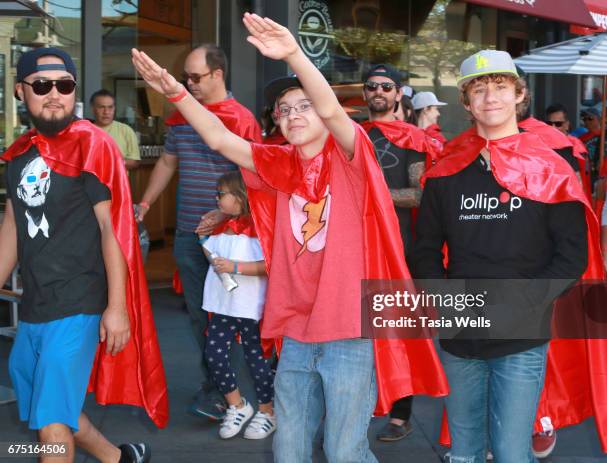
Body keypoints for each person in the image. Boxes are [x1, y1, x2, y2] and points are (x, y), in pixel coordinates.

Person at [132, 13, 448, 462]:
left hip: (349, 331)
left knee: (344, 451)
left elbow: (334, 113)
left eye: (303, 106)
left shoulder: (350, 156)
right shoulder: (279, 166)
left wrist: (295, 55)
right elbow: (221, 139)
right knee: (289, 449)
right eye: (284, 110)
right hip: (296, 330)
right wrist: (177, 93)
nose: (293, 114)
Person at [414, 50, 594, 462]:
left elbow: (571, 256)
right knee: (463, 452)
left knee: (513, 453)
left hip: (521, 334)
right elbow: (424, 249)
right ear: (466, 102)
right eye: (478, 89)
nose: (489, 97)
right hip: (461, 333)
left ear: (518, 95)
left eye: (499, 86)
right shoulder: (447, 170)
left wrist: (525, 302)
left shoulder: (551, 166)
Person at [1, 47, 167, 463]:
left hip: (79, 303)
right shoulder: (17, 154)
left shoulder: (93, 145)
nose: (54, 93)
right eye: (42, 85)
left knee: (52, 428)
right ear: (21, 91)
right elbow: (11, 229)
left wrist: (116, 307)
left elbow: (114, 232)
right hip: (38, 304)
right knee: (54, 410)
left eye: (64, 85)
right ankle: (119, 458)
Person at [135, 43, 261, 420]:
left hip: (231, 238)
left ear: (218, 74)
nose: (188, 83)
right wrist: (144, 203)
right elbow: (168, 163)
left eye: (195, 77)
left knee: (232, 316)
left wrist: (224, 216)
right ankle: (219, 387)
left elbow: (253, 179)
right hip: (191, 237)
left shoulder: (241, 119)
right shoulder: (179, 119)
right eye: (185, 77)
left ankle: (233, 394)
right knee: (200, 315)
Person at [359, 64, 438, 443]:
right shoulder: (351, 135)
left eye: (385, 86)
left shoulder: (412, 139)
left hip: (397, 250)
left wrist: (377, 195)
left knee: (398, 332)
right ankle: (357, 407)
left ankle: (400, 413)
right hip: (354, 247)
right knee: (355, 331)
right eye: (371, 86)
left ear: (398, 94)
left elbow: (419, 192)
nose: (378, 91)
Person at [201, 171, 276, 440]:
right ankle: (237, 405)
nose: (217, 199)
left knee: (257, 361)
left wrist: (234, 267)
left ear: (241, 196)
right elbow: (211, 251)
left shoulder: (260, 226)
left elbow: (270, 265)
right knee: (215, 354)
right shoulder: (221, 226)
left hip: (250, 307)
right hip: (223, 305)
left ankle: (267, 412)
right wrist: (206, 245)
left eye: (222, 194)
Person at [90, 89, 141, 171]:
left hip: (118, 182)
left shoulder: (126, 130)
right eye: (101, 107)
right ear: (93, 109)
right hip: (88, 182)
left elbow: (134, 162)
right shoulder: (84, 131)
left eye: (110, 107)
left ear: (114, 108)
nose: (106, 112)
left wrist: (113, 162)